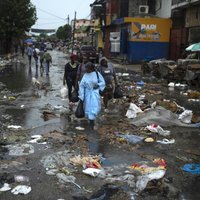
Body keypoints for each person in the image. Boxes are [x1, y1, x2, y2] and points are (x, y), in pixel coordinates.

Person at [79, 62, 105, 128]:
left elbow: (102, 82)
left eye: (87, 68)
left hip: (95, 93)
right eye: (86, 68)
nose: (86, 70)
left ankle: (92, 120)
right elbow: (81, 85)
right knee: (88, 107)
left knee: (94, 106)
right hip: (87, 94)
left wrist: (98, 86)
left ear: (91, 68)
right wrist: (81, 96)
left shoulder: (97, 74)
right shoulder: (85, 75)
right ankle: (91, 121)